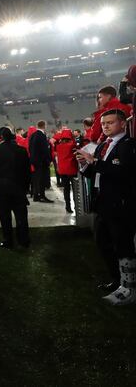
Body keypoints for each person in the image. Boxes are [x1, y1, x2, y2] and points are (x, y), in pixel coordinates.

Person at [76, 109, 136, 305]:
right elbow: (96, 173)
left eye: (110, 122)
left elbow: (125, 173)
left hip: (120, 204)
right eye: (103, 123)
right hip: (102, 203)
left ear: (123, 124)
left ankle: (129, 287)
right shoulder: (103, 144)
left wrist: (95, 162)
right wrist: (85, 165)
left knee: (123, 245)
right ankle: (118, 281)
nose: (106, 126)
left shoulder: (128, 145)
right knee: (103, 242)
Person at [0, 127, 31, 249]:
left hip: (1, 189)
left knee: (5, 216)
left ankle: (8, 241)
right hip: (18, 187)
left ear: (1, 137)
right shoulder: (21, 150)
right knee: (21, 216)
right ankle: (23, 240)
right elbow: (27, 172)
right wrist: (26, 188)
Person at [54, 128, 79, 213]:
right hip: (72, 169)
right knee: (75, 189)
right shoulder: (72, 145)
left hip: (63, 170)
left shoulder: (58, 146)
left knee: (66, 189)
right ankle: (76, 206)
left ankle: (68, 206)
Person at [29, 120, 53, 203]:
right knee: (42, 179)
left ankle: (36, 195)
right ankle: (42, 196)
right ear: (44, 126)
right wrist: (48, 160)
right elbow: (44, 149)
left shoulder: (33, 135)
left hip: (35, 161)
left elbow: (30, 148)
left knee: (37, 179)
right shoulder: (41, 135)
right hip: (41, 161)